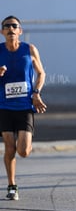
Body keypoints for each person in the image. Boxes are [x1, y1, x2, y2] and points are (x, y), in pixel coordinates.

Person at [0, 15, 47, 200]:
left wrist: (36, 92)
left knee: (24, 151)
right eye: (7, 26)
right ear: (2, 32)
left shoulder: (29, 49)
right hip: (4, 105)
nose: (11, 28)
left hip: (25, 105)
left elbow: (41, 73)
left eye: (14, 26)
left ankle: (23, 143)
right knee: (9, 147)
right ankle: (12, 186)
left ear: (20, 31)